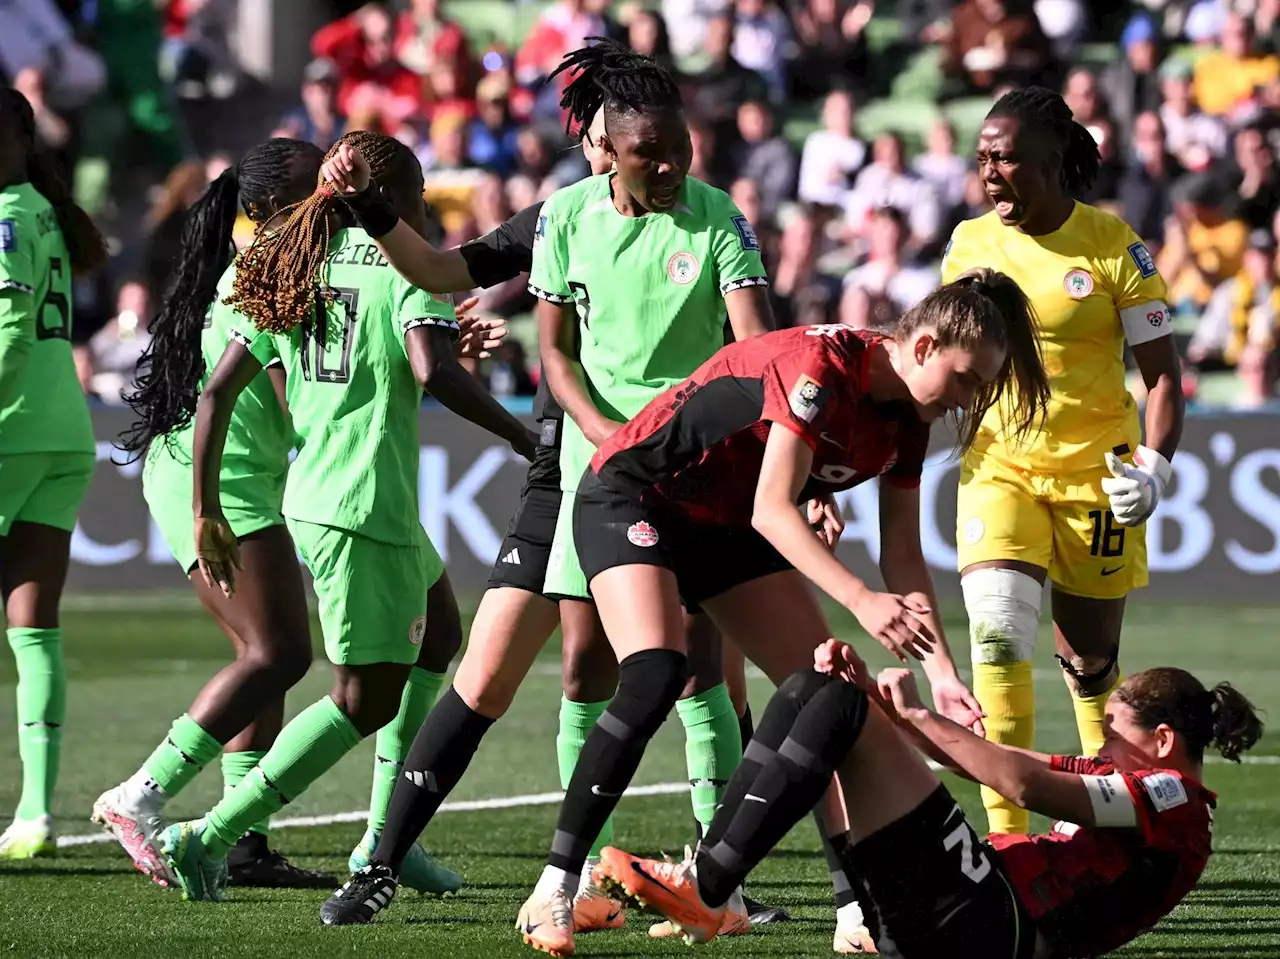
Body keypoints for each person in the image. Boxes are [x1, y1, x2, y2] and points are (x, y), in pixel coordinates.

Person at [316, 43, 789, 935]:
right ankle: (380, 862)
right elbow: (446, 273)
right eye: (644, 146)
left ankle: (716, 873)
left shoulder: (715, 220)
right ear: (602, 146)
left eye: (677, 145)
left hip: (681, 481)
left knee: (696, 671)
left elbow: (756, 351)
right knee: (487, 675)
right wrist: (372, 210)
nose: (669, 163)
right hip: (569, 470)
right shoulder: (558, 218)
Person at [511, 269, 1049, 956]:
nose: (966, 401)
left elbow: (904, 558)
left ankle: (854, 907)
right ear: (923, 345)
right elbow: (774, 507)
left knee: (829, 697)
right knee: (654, 670)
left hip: (723, 525)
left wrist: (942, 670)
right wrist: (858, 600)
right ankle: (554, 885)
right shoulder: (823, 367)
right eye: (968, 379)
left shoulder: (909, 419)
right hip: (634, 493)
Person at [95, 138, 500, 891]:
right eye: (314, 175)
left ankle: (363, 837)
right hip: (237, 473)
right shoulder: (282, 263)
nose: (331, 183)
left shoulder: (312, 254)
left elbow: (340, 352)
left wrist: (427, 337)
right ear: (279, 203)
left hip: (291, 466)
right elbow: (308, 390)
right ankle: (147, 798)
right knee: (279, 654)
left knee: (434, 632)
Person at [598, 649, 1262, 958]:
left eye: (1116, 732)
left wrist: (908, 713)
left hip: (992, 928)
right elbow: (999, 760)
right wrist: (897, 715)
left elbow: (1021, 787)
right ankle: (710, 881)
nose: (1103, 743)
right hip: (969, 906)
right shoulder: (1141, 783)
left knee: (837, 705)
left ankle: (708, 889)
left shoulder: (1169, 797)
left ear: (1164, 740)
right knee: (816, 687)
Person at [941, 85, 1185, 837]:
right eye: (983, 158)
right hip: (999, 468)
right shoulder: (969, 243)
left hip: (1097, 477)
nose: (990, 173)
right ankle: (1009, 836)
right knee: (999, 635)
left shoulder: (1117, 248)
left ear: (1050, 161)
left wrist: (1155, 465)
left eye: (1006, 157)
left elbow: (1166, 376)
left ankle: (1099, 826)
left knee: (1088, 668)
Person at [0, 87, 107, 859]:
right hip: (64, 431)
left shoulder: (6, 215)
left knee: (33, 631)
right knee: (32, 629)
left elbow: (8, 334)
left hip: (9, 429)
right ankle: (35, 812)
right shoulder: (46, 209)